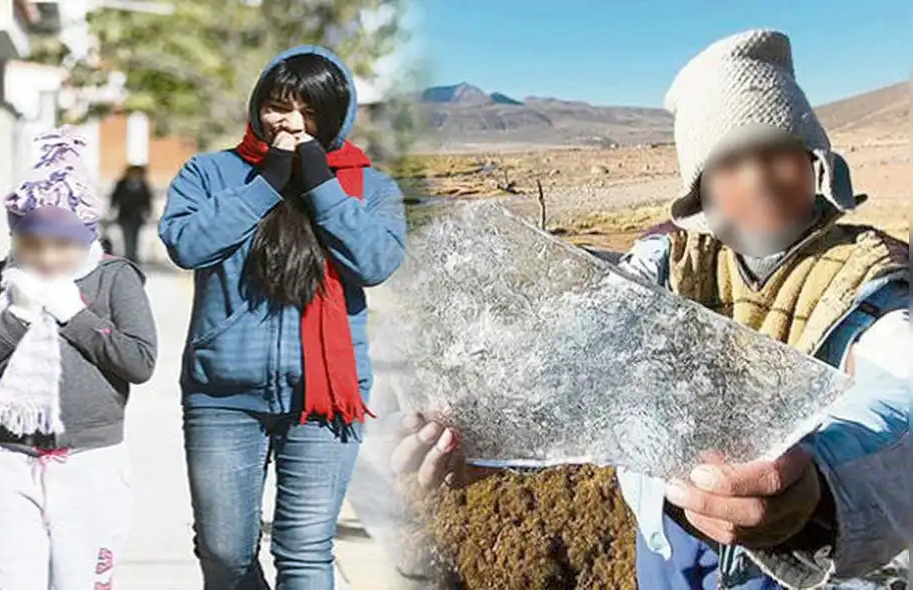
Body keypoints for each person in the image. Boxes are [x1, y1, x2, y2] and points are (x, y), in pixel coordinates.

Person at [389, 30, 909, 589]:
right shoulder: (661, 268)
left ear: (816, 163)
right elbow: (572, 358)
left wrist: (822, 493)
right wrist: (482, 438)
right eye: (731, 161)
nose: (758, 178)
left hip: (798, 565)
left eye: (779, 150)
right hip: (668, 551)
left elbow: (899, 399)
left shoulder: (872, 279)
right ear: (700, 188)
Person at [158, 45, 407, 589]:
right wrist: (266, 182)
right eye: (278, 105)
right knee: (224, 553)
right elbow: (187, 244)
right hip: (222, 395)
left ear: (335, 117)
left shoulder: (369, 186)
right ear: (257, 107)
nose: (290, 122)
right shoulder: (210, 173)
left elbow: (376, 262)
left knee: (304, 552)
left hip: (324, 399)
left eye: (310, 111)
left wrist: (320, 186)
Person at [0, 127, 158, 590]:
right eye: (32, 243)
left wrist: (75, 315)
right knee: (8, 581)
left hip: (92, 461)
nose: (46, 257)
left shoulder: (114, 279)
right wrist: (15, 316)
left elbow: (139, 362)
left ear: (85, 238)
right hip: (8, 459)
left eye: (62, 244)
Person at [110, 164, 154, 263]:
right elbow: (114, 197)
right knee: (127, 235)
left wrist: (148, 212)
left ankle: (133, 255)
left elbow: (148, 199)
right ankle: (129, 254)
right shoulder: (121, 184)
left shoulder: (143, 185)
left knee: (135, 235)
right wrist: (112, 208)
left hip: (137, 216)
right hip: (124, 215)